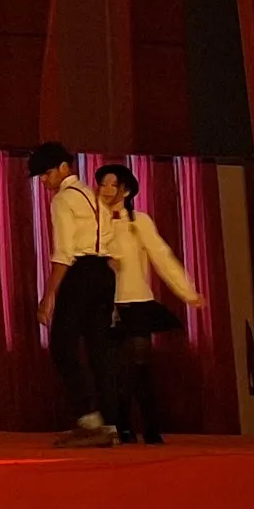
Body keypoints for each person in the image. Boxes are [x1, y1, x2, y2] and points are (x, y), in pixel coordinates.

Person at [95, 164, 203, 444]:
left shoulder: (139, 221)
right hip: (106, 306)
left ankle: (151, 427)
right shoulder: (93, 223)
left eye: (112, 185)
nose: (106, 190)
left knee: (139, 367)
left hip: (137, 303)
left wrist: (187, 291)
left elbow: (161, 256)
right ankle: (122, 427)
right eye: (102, 184)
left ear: (126, 190)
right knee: (114, 370)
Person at [29, 142, 119, 448]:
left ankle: (89, 418)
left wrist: (48, 296)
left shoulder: (63, 199)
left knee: (62, 345)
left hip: (80, 272)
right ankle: (110, 422)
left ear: (63, 168)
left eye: (46, 173)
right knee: (99, 348)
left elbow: (64, 253)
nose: (44, 180)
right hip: (104, 272)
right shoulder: (95, 196)